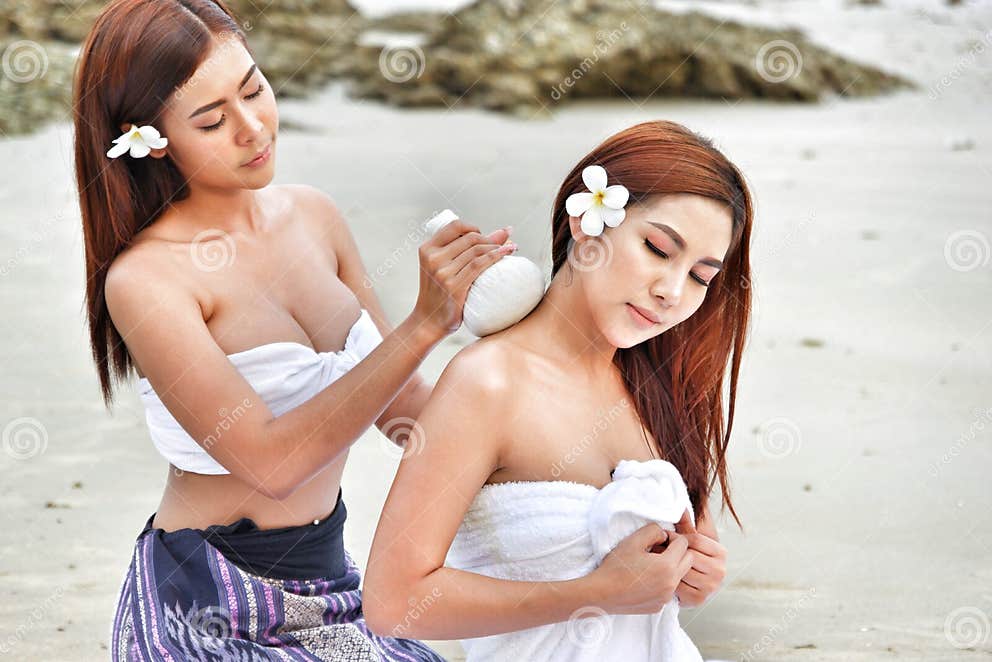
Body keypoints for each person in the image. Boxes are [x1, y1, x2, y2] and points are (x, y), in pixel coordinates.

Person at [73, 1, 516, 658]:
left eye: (254, 88)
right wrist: (423, 326)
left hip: (331, 586)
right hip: (208, 599)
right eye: (213, 120)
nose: (253, 127)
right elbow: (267, 461)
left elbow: (406, 415)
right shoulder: (147, 281)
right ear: (153, 139)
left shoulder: (315, 216)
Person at [363, 120, 753, 661]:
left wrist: (697, 576)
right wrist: (594, 596)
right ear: (585, 222)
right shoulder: (489, 381)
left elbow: (680, 563)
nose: (671, 292)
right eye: (659, 249)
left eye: (700, 277)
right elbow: (392, 600)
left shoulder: (661, 390)